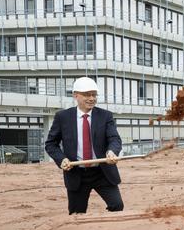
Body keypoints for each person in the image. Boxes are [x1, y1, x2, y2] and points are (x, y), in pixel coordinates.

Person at [44, 76, 124, 214]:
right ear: (76, 95)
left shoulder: (105, 116)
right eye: (87, 95)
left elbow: (114, 139)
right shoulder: (62, 117)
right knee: (77, 213)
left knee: (117, 206)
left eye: (94, 95)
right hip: (76, 173)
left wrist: (112, 151)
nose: (91, 98)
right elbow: (51, 144)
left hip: (102, 172)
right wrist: (61, 159)